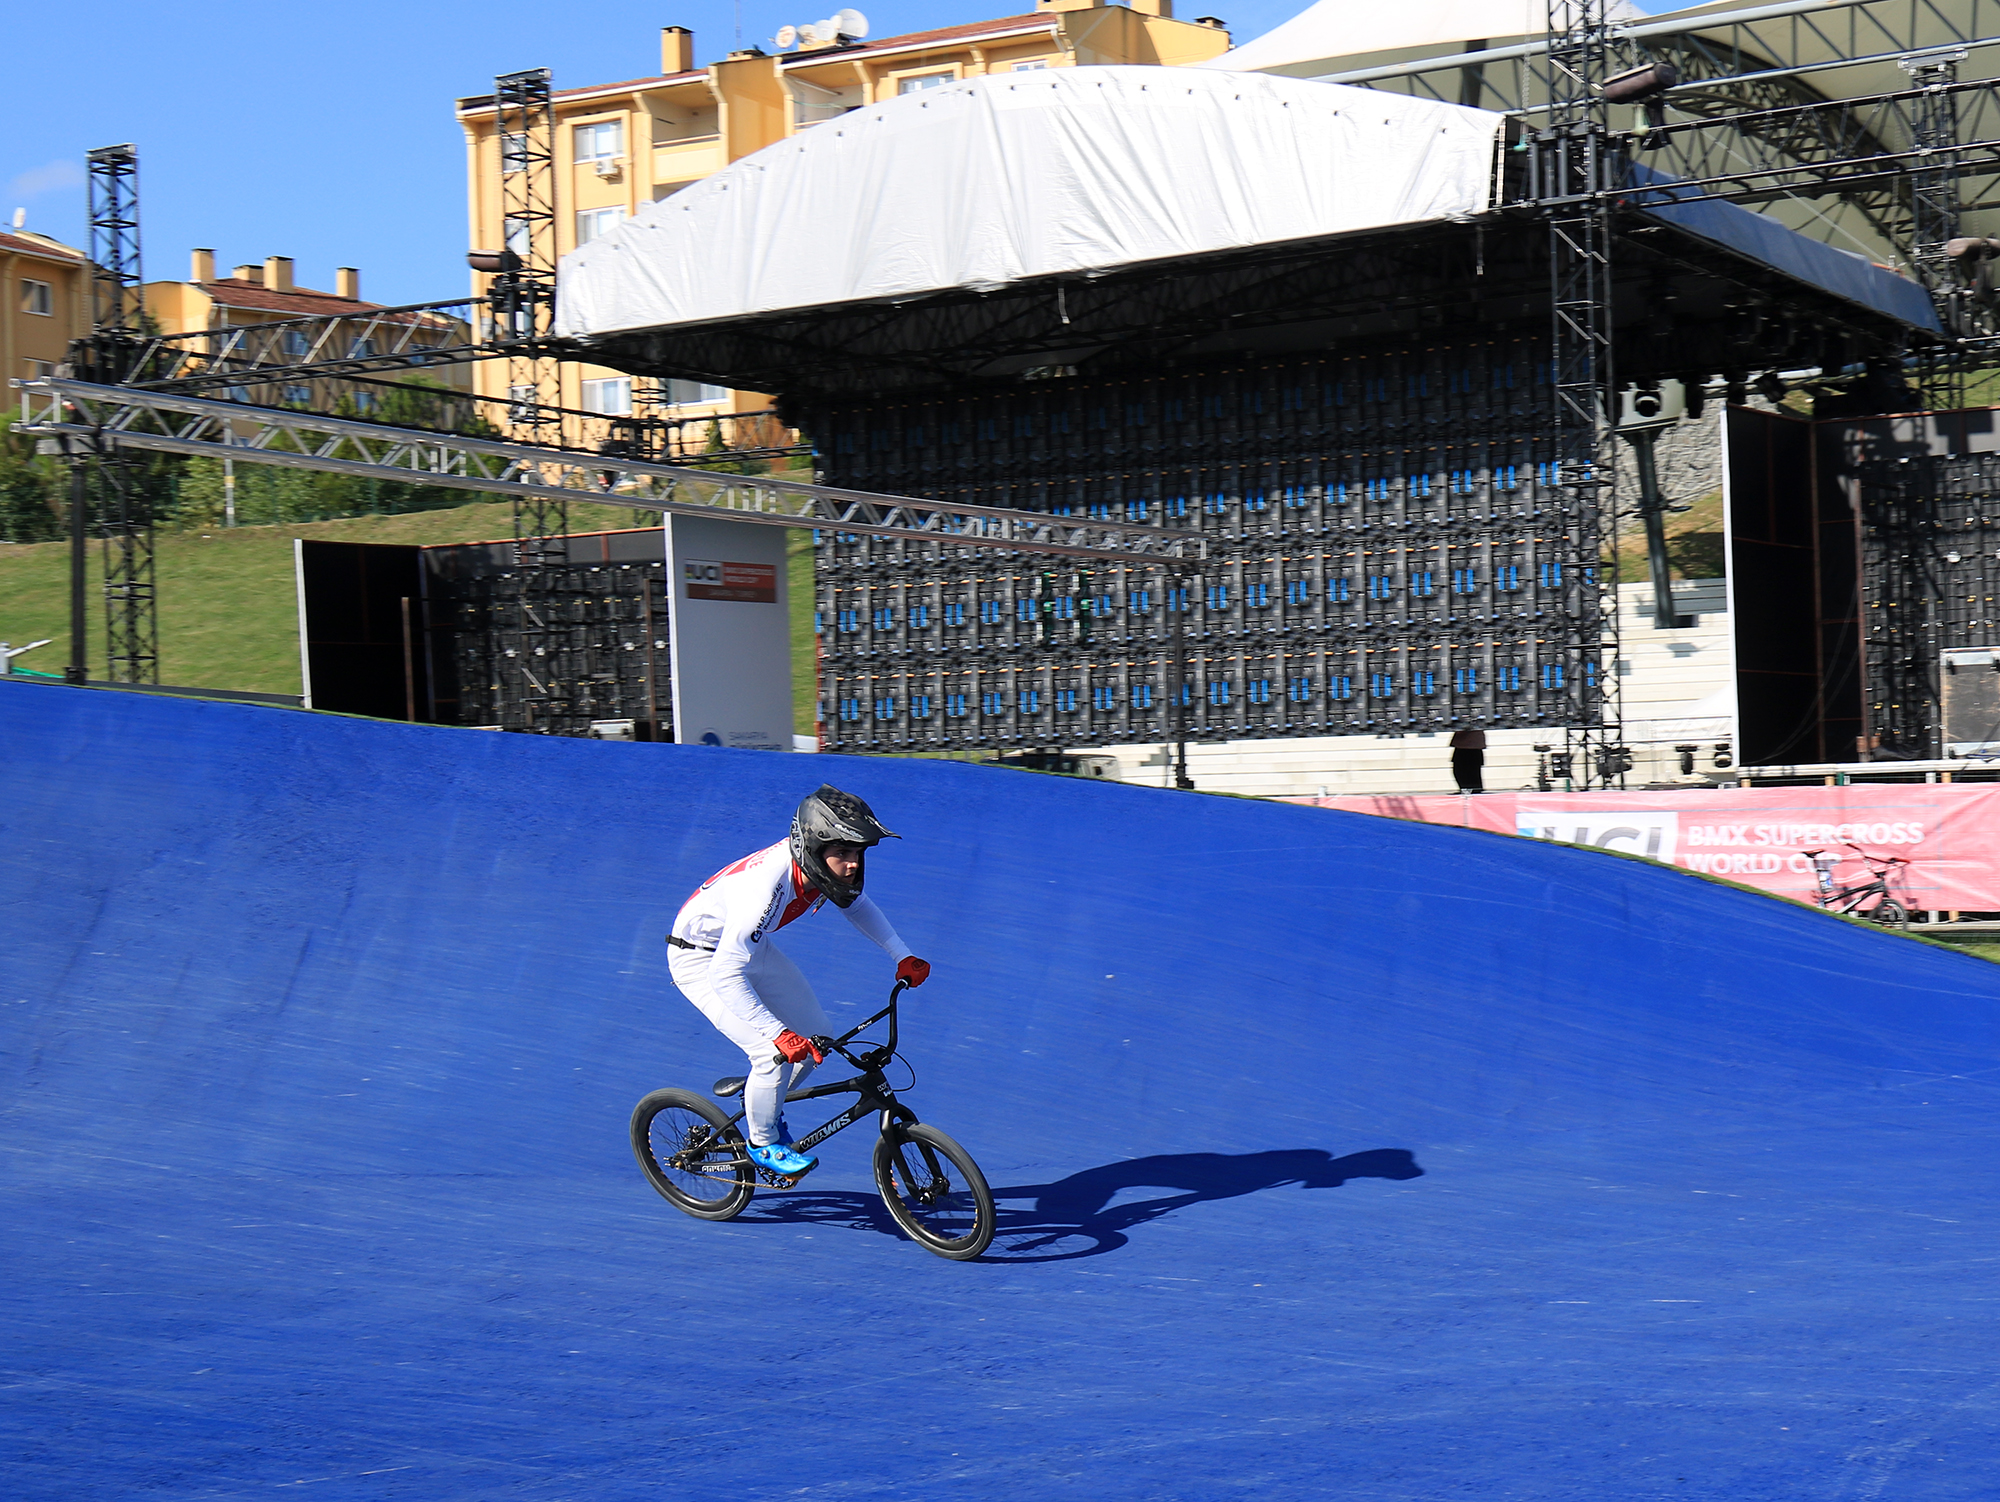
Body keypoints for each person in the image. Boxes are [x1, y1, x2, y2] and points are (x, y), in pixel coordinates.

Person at [667, 784, 930, 1180]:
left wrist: (902, 955)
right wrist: (776, 1034)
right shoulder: (766, 888)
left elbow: (855, 903)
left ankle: (760, 1098)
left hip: (744, 950)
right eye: (842, 853)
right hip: (700, 960)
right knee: (772, 1053)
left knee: (816, 1035)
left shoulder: (814, 867)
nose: (853, 863)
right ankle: (761, 1142)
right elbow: (724, 974)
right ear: (813, 847)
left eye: (857, 852)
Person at [1449, 727, 1486, 793]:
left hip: (1470, 745)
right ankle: (1467, 790)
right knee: (1461, 772)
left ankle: (1472, 791)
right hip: (1465, 744)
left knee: (1469, 773)